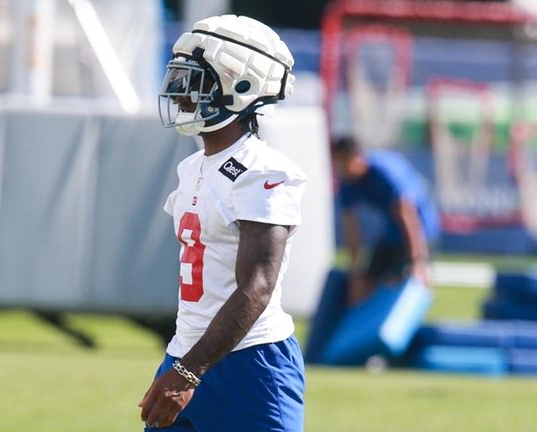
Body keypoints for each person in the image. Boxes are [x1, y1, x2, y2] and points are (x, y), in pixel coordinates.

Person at [138, 15, 306, 431]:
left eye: (193, 80)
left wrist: (189, 372)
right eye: (177, 77)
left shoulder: (263, 171)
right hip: (186, 353)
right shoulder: (193, 166)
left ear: (239, 86)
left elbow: (257, 288)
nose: (179, 92)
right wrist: (182, 363)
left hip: (252, 363)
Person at [331, 136, 440, 306]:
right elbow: (350, 228)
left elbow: (408, 216)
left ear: (356, 158)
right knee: (366, 282)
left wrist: (418, 261)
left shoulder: (385, 172)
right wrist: (355, 271)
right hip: (393, 231)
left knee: (404, 282)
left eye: (343, 163)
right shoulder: (347, 183)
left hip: (420, 229)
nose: (340, 169)